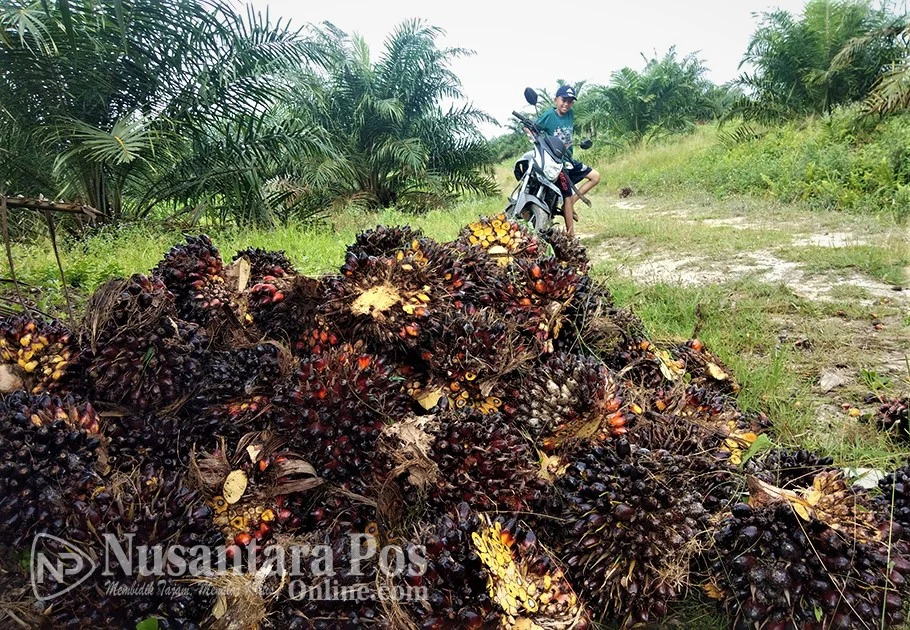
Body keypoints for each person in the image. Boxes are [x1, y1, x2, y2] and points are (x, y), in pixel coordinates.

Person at [535, 84, 600, 237]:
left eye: (570, 101)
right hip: (557, 163)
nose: (566, 104)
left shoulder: (570, 113)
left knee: (595, 176)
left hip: (569, 160)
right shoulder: (549, 115)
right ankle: (571, 236)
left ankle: (567, 206)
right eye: (564, 100)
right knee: (567, 195)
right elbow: (533, 127)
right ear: (555, 100)